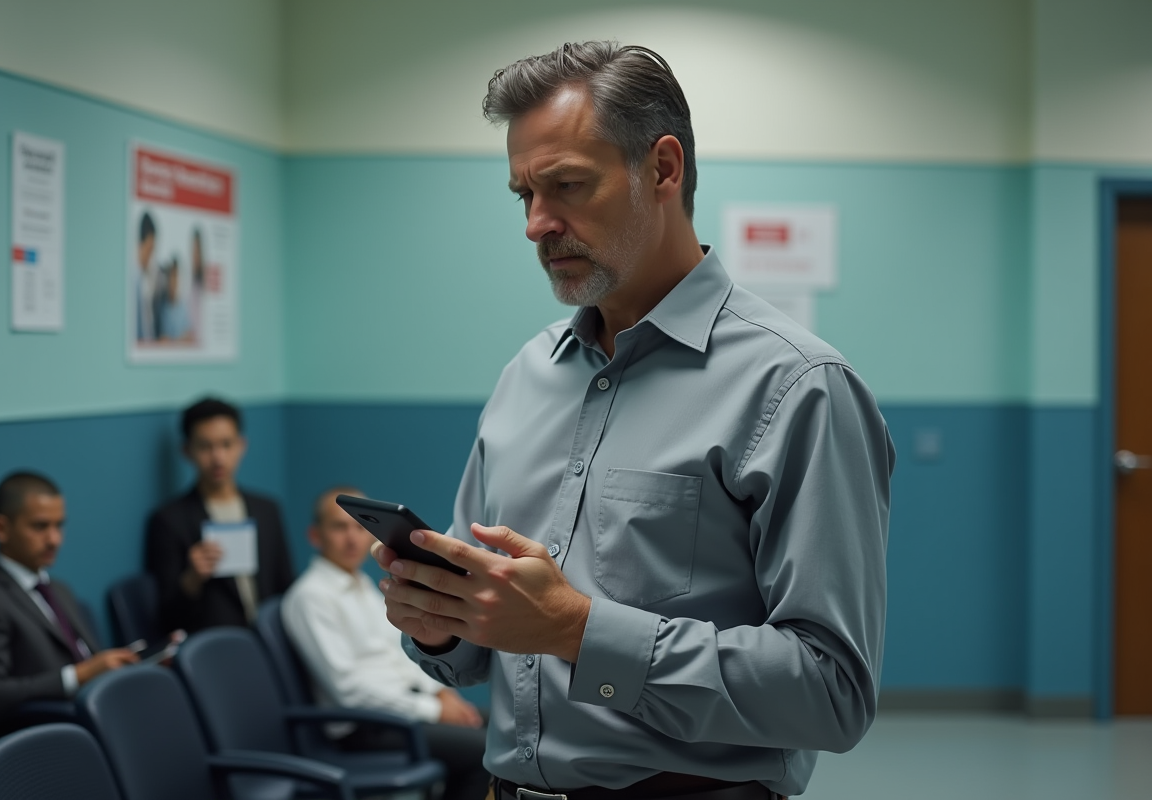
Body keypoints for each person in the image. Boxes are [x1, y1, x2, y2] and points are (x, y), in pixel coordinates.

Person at [373, 42, 894, 800]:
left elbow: (832, 692)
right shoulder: (527, 376)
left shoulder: (799, 388)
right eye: (524, 195)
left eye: (567, 187)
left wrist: (577, 631)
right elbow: (483, 645)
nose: (536, 224)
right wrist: (440, 623)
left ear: (663, 168)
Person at [282, 488, 488, 800]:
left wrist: (443, 694)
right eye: (339, 527)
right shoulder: (310, 597)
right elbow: (350, 690)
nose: (351, 538)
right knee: (482, 750)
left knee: (500, 728)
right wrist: (434, 710)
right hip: (365, 727)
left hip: (403, 710)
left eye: (357, 526)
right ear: (315, 535)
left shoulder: (362, 585)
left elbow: (399, 652)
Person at [0, 472, 139, 745]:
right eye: (40, 527)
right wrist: (78, 675)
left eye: (59, 526)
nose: (54, 540)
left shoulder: (58, 589)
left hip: (101, 719)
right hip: (50, 740)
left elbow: (92, 660)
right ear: (1, 529)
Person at [144, 397, 294, 633]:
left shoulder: (267, 510)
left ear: (241, 446)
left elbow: (285, 588)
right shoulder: (168, 521)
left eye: (226, 444)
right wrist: (191, 579)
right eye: (205, 447)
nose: (218, 458)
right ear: (187, 451)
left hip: (271, 638)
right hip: (217, 645)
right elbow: (165, 616)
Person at [135, 211, 160, 341]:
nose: (151, 256)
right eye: (150, 249)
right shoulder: (134, 282)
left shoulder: (146, 281)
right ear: (141, 244)